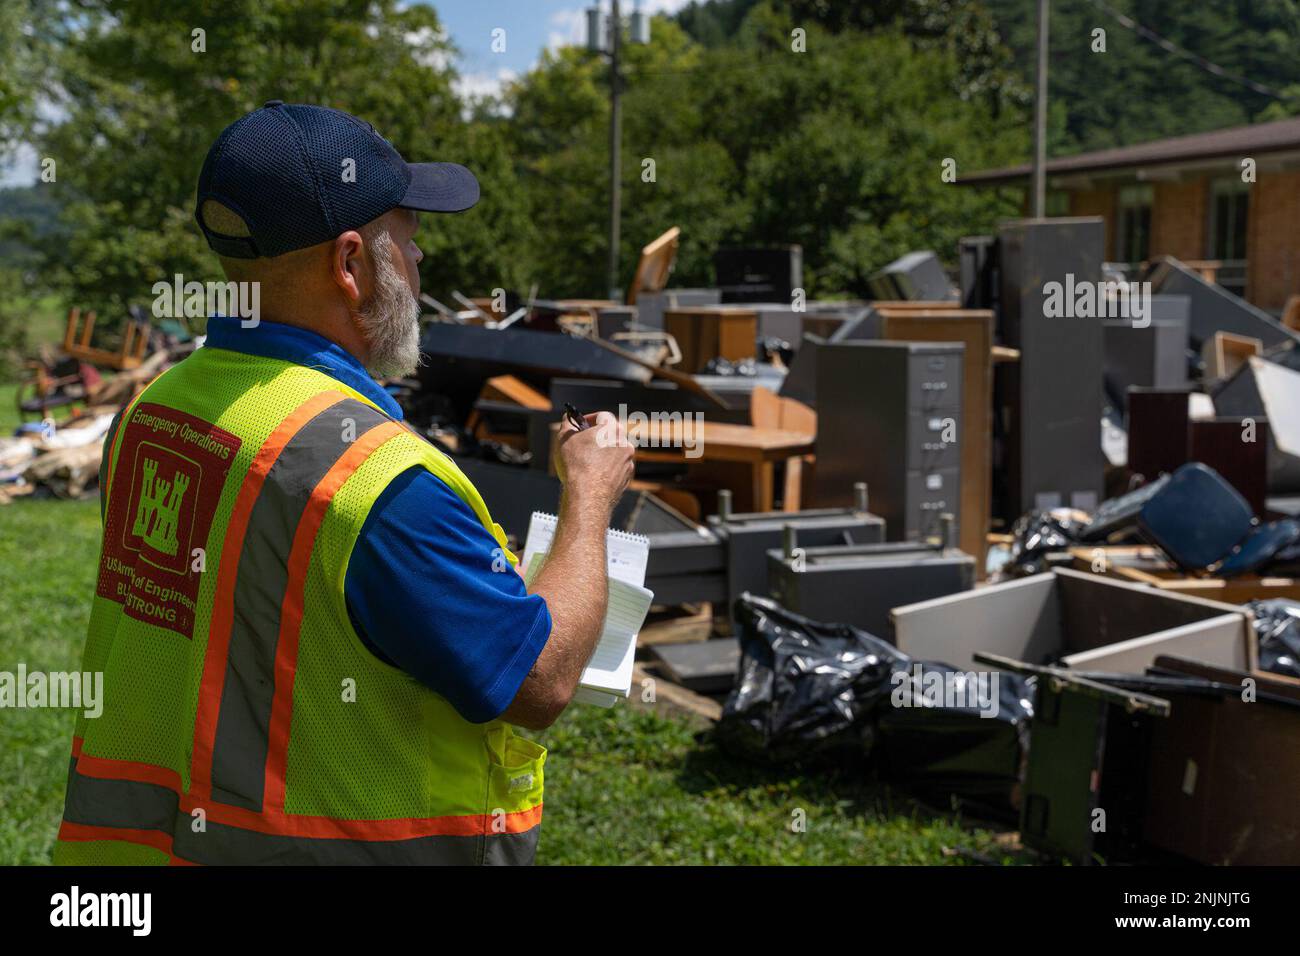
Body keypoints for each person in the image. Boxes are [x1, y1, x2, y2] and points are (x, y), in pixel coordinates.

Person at [53, 102, 633, 865]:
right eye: (411, 238)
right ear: (352, 264)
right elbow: (540, 681)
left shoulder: (153, 411)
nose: (421, 265)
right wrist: (588, 497)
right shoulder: (381, 485)